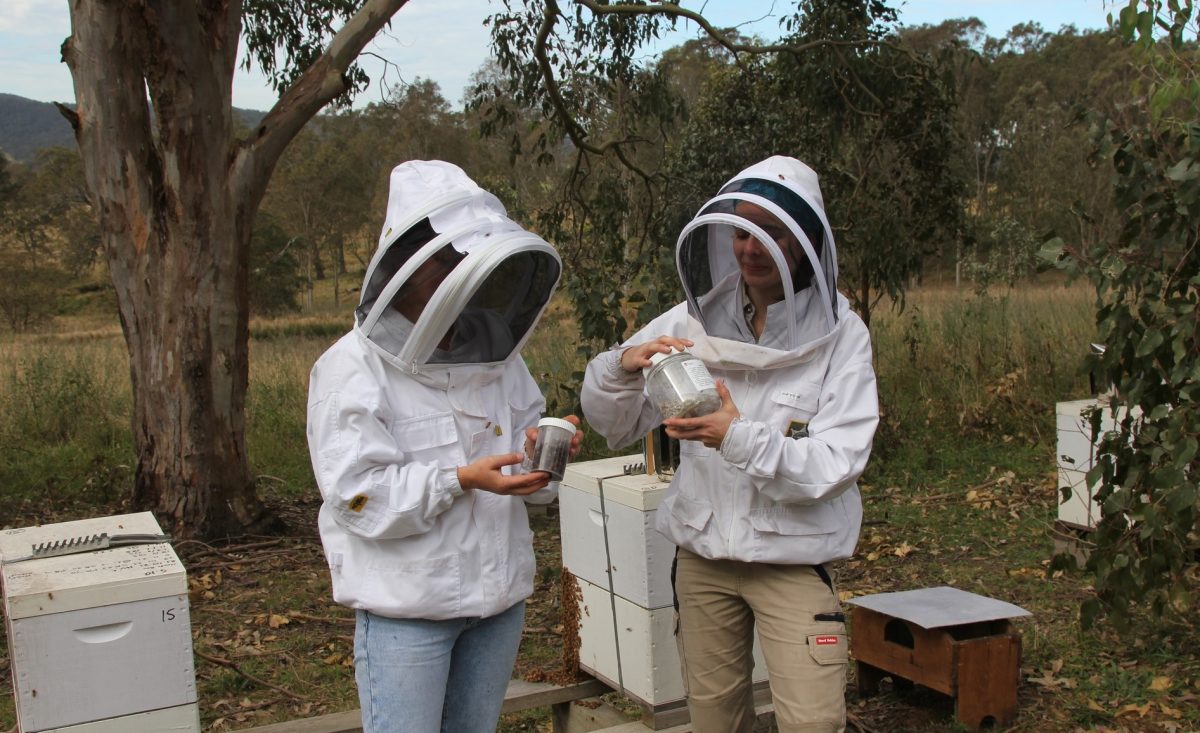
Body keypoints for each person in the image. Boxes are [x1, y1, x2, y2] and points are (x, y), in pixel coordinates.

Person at [581, 155, 878, 733]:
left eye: (769, 235)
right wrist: (621, 366)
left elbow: (837, 462)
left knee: (812, 722)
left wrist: (736, 438)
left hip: (792, 560)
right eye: (740, 232)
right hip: (703, 560)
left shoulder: (844, 335)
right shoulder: (690, 321)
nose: (750, 248)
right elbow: (611, 423)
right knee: (714, 722)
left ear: (804, 242)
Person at [306, 160, 583, 733]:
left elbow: (535, 496)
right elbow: (359, 498)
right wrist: (459, 479)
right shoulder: (350, 370)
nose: (459, 275)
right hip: (408, 615)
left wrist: (544, 458)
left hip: (498, 606)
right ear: (405, 265)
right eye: (445, 261)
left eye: (466, 261)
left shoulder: (496, 355)